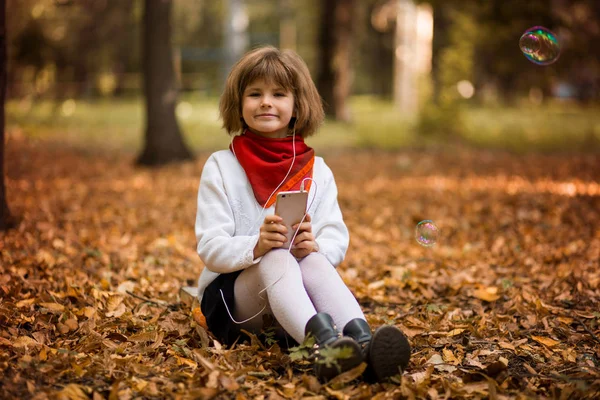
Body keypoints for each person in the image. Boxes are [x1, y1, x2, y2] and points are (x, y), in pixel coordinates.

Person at [194, 45, 411, 382]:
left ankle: (363, 343)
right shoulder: (221, 166)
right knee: (276, 258)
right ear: (240, 104)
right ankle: (322, 348)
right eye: (255, 93)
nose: (266, 101)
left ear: (297, 106)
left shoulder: (318, 170)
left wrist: (315, 245)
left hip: (295, 303)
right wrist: (256, 246)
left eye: (279, 94)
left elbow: (335, 236)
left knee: (309, 259)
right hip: (234, 302)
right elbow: (210, 246)